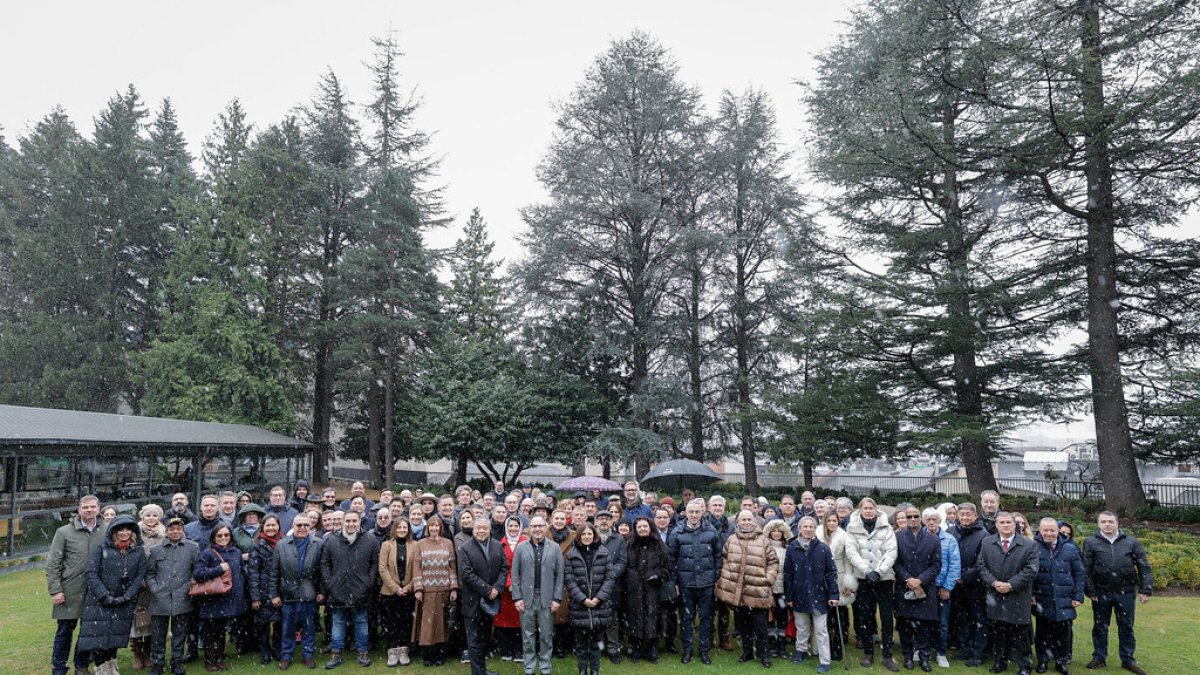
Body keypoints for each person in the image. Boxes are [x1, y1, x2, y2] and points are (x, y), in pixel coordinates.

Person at [74, 515, 147, 674]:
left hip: (124, 602)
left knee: (115, 637)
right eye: (120, 529)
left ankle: (111, 666)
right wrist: (104, 596)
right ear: (113, 531)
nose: (124, 533)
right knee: (99, 637)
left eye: (127, 529)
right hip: (100, 602)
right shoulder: (101, 549)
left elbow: (140, 575)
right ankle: (101, 668)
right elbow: (91, 573)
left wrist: (128, 596)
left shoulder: (138, 551)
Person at [1083, 511, 1153, 675]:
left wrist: (1145, 590)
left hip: (1126, 592)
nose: (1107, 524)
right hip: (1101, 593)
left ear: (1117, 523)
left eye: (1110, 521)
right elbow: (1086, 569)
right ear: (1099, 524)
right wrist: (1090, 590)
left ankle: (1128, 660)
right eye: (1103, 522)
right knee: (1100, 626)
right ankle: (1099, 657)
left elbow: (1144, 566)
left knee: (1126, 627)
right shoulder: (1090, 542)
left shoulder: (1131, 542)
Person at [46, 494, 107, 675]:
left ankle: (81, 666)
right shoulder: (64, 532)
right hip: (70, 590)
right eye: (85, 507)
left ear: (98, 508)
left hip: (96, 591)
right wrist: (55, 590)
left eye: (92, 507)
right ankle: (59, 668)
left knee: (88, 632)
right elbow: (53, 563)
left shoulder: (107, 530)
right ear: (79, 509)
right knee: (64, 632)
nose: (89, 510)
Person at [978, 511, 1040, 675]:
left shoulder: (1028, 545)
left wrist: (1011, 585)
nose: (1005, 525)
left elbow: (1031, 570)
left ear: (1015, 525)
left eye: (1008, 522)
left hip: (1018, 595)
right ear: (996, 525)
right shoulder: (987, 542)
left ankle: (1024, 665)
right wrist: (994, 582)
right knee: (999, 631)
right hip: (995, 595)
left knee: (1020, 633)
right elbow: (981, 567)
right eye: (1002, 522)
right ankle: (1000, 662)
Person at [716, 509, 779, 668]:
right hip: (739, 592)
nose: (746, 522)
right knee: (743, 625)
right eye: (743, 520)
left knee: (761, 626)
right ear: (737, 522)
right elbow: (725, 560)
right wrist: (728, 579)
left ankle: (764, 655)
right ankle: (747, 652)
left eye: (749, 519)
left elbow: (773, 562)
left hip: (758, 590)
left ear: (754, 521)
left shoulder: (763, 540)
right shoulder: (731, 540)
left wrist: (768, 579)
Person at [320, 509, 379, 668]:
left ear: (360, 522)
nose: (351, 524)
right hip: (337, 590)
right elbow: (325, 564)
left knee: (361, 622)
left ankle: (362, 652)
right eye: (348, 521)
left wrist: (368, 583)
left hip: (361, 590)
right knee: (338, 623)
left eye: (354, 521)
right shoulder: (332, 540)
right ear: (343, 522)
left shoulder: (370, 539)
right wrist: (330, 584)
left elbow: (375, 564)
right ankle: (336, 653)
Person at [845, 497, 899, 671]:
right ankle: (868, 652)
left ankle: (887, 655)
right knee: (866, 617)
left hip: (883, 580)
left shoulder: (887, 527)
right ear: (860, 510)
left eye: (871, 508)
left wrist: (879, 571)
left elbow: (891, 551)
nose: (868, 511)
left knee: (886, 618)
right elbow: (851, 552)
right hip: (864, 579)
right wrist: (867, 571)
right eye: (865, 508)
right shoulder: (852, 528)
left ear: (875, 509)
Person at [669, 497, 723, 665]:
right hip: (686, 583)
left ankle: (704, 651)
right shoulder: (677, 532)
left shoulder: (711, 531)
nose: (693, 515)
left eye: (697, 512)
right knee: (686, 618)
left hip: (706, 583)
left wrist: (715, 578)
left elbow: (718, 556)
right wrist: (675, 582)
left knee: (706, 618)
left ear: (702, 512)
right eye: (690, 512)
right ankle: (687, 651)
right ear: (685, 513)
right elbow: (671, 560)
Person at [784, 516, 839, 674]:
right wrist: (789, 597)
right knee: (801, 627)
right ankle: (800, 651)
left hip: (819, 595)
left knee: (821, 630)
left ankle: (824, 660)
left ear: (815, 529)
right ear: (799, 529)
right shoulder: (792, 548)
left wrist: (834, 594)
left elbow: (831, 572)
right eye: (805, 526)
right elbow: (788, 574)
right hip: (799, 594)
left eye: (811, 527)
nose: (808, 529)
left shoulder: (823, 548)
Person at [513, 514, 566, 675]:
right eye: (534, 526)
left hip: (547, 598)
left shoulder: (554, 547)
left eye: (540, 526)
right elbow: (515, 574)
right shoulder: (521, 547)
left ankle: (545, 666)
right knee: (528, 635)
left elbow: (560, 575)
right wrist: (517, 597)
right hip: (527, 597)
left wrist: (557, 598)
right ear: (529, 528)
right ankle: (529, 667)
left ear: (545, 527)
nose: (537, 529)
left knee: (546, 634)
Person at [145, 516, 199, 675]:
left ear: (182, 530)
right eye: (171, 529)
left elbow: (196, 571)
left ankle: (177, 663)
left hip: (183, 597)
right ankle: (157, 664)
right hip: (159, 599)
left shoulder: (193, 547)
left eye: (178, 528)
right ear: (166, 531)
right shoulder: (156, 550)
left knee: (179, 635)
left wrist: (188, 587)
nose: (175, 532)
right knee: (157, 636)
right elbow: (149, 573)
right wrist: (155, 589)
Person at [270, 512, 324, 670]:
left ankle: (308, 655)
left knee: (309, 627)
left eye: (305, 525)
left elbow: (322, 571)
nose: (302, 528)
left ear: (310, 526)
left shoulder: (318, 544)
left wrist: (321, 591)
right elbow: (275, 572)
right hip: (288, 593)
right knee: (288, 628)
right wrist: (273, 594)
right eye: (298, 525)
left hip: (309, 593)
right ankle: (286, 656)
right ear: (293, 526)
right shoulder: (281, 544)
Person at [1033, 516, 1085, 675]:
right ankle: (1042, 661)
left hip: (1065, 597)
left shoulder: (1070, 548)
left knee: (1064, 633)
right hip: (1042, 597)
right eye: (1045, 530)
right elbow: (1029, 574)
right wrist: (1031, 594)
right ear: (1040, 531)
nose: (1049, 533)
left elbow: (1079, 573)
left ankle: (1061, 662)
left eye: (1052, 530)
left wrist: (1078, 596)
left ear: (1058, 531)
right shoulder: (1033, 547)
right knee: (1042, 632)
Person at [893, 504, 941, 672]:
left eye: (915, 516)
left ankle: (924, 657)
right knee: (905, 624)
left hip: (925, 589)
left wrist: (920, 580)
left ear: (920, 518)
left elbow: (936, 565)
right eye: (909, 517)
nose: (912, 519)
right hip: (904, 587)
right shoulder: (897, 538)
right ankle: (907, 657)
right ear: (904, 519)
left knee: (924, 626)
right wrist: (908, 579)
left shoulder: (933, 538)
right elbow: (895, 563)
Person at [192, 523, 246, 671]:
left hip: (229, 598)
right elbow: (198, 574)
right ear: (214, 537)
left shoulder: (236, 552)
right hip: (212, 599)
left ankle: (219, 658)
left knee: (221, 631)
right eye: (219, 535)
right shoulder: (208, 553)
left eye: (226, 535)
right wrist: (218, 569)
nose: (223, 538)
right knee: (210, 631)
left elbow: (240, 573)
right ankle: (210, 660)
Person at [458, 518, 508, 675]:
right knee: (474, 641)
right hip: (472, 601)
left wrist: (497, 588)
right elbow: (466, 574)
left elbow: (504, 568)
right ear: (473, 529)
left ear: (489, 529)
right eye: (478, 528)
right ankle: (478, 672)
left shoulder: (497, 545)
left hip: (490, 601)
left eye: (484, 528)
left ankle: (482, 670)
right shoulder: (465, 548)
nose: (481, 531)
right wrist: (487, 589)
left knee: (485, 638)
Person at [566, 522, 616, 675]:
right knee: (581, 644)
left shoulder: (603, 553)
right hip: (579, 606)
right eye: (583, 534)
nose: (587, 537)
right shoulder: (571, 555)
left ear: (594, 535)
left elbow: (609, 578)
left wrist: (598, 598)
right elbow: (569, 579)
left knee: (596, 643)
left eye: (589, 534)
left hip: (600, 606)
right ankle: (582, 669)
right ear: (579, 536)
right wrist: (582, 599)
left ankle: (594, 670)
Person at [411, 515, 459, 666]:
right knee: (427, 625)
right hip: (426, 591)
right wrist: (418, 588)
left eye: (437, 526)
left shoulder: (448, 543)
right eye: (431, 526)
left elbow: (452, 567)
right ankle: (427, 655)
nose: (434, 528)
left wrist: (453, 588)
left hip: (444, 590)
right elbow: (416, 568)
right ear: (427, 528)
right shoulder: (420, 544)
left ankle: (440, 655)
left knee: (442, 624)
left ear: (440, 528)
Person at [624, 516, 671, 663]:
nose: (642, 529)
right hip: (634, 588)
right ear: (635, 529)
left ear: (650, 527)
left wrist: (660, 576)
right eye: (639, 527)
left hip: (653, 589)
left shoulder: (658, 544)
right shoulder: (629, 545)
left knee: (653, 617)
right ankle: (636, 648)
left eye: (645, 526)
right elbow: (625, 565)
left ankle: (652, 649)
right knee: (635, 618)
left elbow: (668, 565)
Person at [949, 502, 990, 667]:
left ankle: (978, 653)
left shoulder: (984, 535)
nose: (965, 517)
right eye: (962, 514)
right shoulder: (951, 532)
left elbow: (982, 561)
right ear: (958, 516)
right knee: (962, 619)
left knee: (979, 620)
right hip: (955, 585)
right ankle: (965, 648)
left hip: (975, 585)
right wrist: (953, 577)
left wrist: (965, 577)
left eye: (968, 514)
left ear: (975, 516)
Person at [129, 503, 166, 669]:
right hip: (138, 584)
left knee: (153, 619)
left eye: (154, 515)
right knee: (136, 619)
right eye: (148, 515)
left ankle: (148, 651)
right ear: (142, 517)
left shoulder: (164, 534)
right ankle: (137, 653)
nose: (151, 519)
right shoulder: (134, 534)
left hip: (157, 583)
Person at [817, 510, 855, 663]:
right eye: (829, 521)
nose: (832, 524)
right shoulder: (817, 534)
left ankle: (839, 641)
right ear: (825, 521)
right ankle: (825, 644)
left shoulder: (844, 536)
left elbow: (848, 560)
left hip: (838, 574)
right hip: (820, 575)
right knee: (824, 612)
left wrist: (848, 581)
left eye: (834, 521)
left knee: (839, 610)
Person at [925, 507, 960, 669]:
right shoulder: (919, 537)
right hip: (923, 587)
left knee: (942, 622)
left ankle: (940, 652)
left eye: (935, 519)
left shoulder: (949, 539)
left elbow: (954, 565)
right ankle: (922, 649)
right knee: (922, 621)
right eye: (928, 519)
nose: (931, 522)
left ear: (940, 521)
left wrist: (947, 587)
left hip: (941, 587)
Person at [246, 514, 283, 665]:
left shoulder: (284, 543)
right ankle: (265, 652)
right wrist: (255, 597)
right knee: (263, 625)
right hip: (262, 590)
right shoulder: (256, 545)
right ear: (262, 527)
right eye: (268, 525)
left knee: (280, 623)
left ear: (278, 526)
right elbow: (253, 572)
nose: (271, 528)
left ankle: (278, 650)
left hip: (281, 589)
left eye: (274, 525)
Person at [379, 517, 415, 666]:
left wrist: (407, 587)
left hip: (409, 591)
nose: (402, 530)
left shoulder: (415, 545)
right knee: (391, 622)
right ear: (395, 529)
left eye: (404, 527)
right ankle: (393, 651)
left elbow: (418, 569)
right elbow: (382, 568)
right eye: (399, 527)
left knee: (406, 621)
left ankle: (404, 650)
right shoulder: (386, 545)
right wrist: (395, 588)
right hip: (390, 592)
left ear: (408, 529)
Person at [594, 510, 628, 663]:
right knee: (596, 618)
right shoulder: (590, 537)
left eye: (607, 519)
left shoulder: (619, 539)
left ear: (612, 521)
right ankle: (598, 647)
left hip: (613, 585)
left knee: (612, 619)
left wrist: (611, 574)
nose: (603, 522)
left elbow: (622, 561)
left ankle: (613, 649)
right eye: (600, 519)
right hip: (594, 584)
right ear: (596, 521)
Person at [496, 516, 528, 662]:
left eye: (516, 526)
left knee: (520, 622)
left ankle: (519, 651)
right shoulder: (499, 544)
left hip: (522, 589)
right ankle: (505, 650)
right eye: (510, 526)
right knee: (503, 622)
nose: (513, 529)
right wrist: (509, 584)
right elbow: (499, 567)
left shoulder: (526, 543)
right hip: (505, 589)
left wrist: (517, 585)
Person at [548, 509, 577, 659]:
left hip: (566, 580)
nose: (559, 521)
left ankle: (560, 647)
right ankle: (547, 646)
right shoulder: (543, 534)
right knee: (547, 615)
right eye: (556, 518)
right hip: (547, 579)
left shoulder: (573, 536)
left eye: (562, 518)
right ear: (551, 519)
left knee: (563, 616)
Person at [762, 518, 793, 658]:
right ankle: (771, 645)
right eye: (773, 531)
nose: (776, 533)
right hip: (769, 588)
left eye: (779, 531)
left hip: (783, 590)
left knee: (782, 616)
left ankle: (782, 645)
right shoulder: (764, 548)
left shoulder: (788, 548)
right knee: (769, 616)